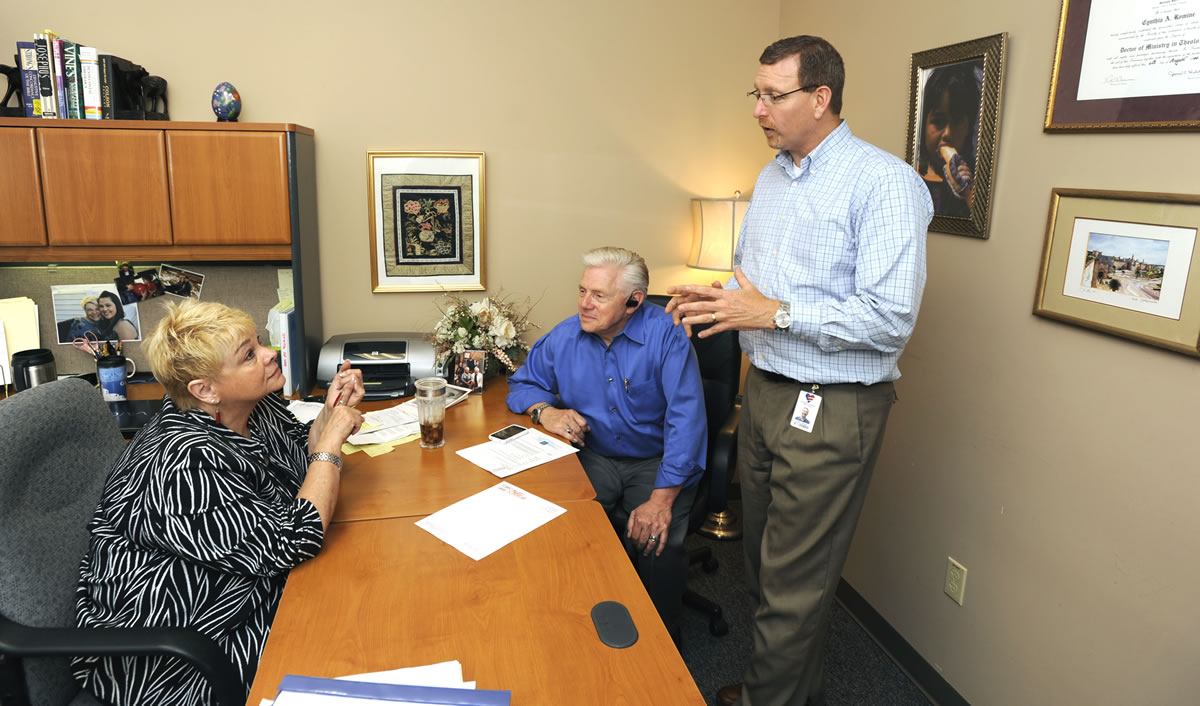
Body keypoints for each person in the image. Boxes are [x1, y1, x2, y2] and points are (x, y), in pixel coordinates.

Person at [666, 35, 933, 706]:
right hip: (767, 393)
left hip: (834, 403)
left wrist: (774, 315)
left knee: (794, 581)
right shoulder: (772, 176)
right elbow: (757, 285)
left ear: (820, 98)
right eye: (754, 94)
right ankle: (792, 692)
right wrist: (719, 301)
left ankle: (766, 700)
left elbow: (888, 318)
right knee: (759, 566)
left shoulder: (885, 183)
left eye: (772, 95)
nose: (758, 109)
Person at [73, 300, 364, 705]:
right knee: (359, 643)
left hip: (251, 591)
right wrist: (332, 443)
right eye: (249, 355)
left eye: (258, 343)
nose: (269, 355)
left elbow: (300, 460)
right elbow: (293, 540)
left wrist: (328, 417)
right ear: (205, 390)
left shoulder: (251, 405)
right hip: (182, 654)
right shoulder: (181, 464)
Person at [507, 246, 707, 641]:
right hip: (594, 455)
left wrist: (661, 500)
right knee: (557, 524)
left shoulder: (668, 336)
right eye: (582, 291)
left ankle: (661, 644)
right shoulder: (565, 335)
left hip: (658, 461)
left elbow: (687, 421)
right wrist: (545, 412)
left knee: (653, 539)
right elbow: (522, 384)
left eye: (598, 296)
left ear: (634, 301)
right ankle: (575, 630)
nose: (584, 304)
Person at [917, 62, 980, 218]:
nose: (947, 134)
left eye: (957, 122)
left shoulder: (975, 178)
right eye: (938, 121)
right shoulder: (914, 174)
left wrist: (966, 192)